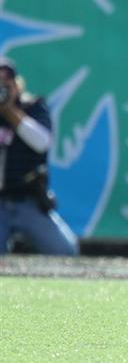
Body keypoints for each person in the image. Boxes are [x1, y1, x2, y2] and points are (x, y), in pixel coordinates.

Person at [0, 58, 78, 255]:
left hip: (28, 201)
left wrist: (9, 110)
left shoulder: (33, 107)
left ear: (17, 83)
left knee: (66, 252)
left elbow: (41, 142)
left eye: (6, 82)